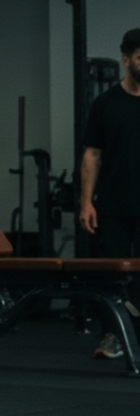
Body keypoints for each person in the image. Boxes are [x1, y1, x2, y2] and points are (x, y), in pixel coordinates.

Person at [80, 26, 140, 360]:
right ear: (127, 59)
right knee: (114, 276)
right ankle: (115, 336)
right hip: (114, 205)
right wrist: (86, 201)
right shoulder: (106, 104)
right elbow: (92, 155)